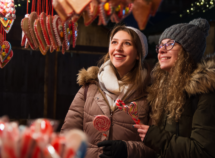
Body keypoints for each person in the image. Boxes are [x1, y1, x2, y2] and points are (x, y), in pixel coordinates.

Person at [134, 18, 215, 158]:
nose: (161, 50)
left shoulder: (208, 94)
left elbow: (203, 152)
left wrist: (155, 137)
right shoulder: (165, 89)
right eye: (160, 46)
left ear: (188, 51)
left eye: (170, 44)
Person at [61, 25, 155, 158]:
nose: (118, 48)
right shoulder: (90, 87)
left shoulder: (150, 93)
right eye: (114, 42)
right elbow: (68, 134)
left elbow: (156, 146)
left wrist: (127, 149)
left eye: (127, 43)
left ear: (138, 54)